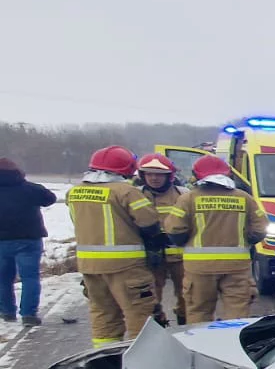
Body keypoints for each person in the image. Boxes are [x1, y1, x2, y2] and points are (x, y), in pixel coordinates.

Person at [66, 146, 164, 348]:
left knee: (103, 315)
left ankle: (106, 358)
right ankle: (142, 358)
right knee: (140, 315)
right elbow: (149, 224)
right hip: (126, 266)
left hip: (90, 267)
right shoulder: (126, 192)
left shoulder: (74, 192)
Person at [165, 155, 268, 322]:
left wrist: (186, 241)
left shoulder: (188, 199)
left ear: (197, 175)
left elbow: (175, 230)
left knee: (199, 312)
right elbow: (260, 229)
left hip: (199, 267)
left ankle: (201, 339)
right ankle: (233, 339)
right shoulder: (244, 198)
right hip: (236, 266)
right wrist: (245, 241)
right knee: (237, 313)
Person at [0, 157, 57, 326]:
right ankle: (28, 314)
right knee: (30, 277)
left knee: (3, 278)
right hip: (28, 240)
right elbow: (50, 198)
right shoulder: (30, 189)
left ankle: (7, 312)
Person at [135, 153, 188, 326]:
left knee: (186, 295)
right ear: (142, 176)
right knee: (150, 297)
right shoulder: (136, 195)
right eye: (149, 174)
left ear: (169, 176)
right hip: (151, 256)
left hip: (180, 257)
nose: (154, 178)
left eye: (159, 174)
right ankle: (157, 323)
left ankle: (184, 324)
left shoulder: (183, 194)